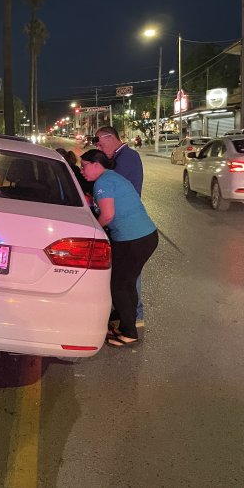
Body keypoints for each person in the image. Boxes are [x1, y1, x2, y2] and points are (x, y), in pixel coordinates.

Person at [79, 149, 158, 347]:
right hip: (146, 236)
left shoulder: (103, 182)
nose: (82, 170)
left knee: (119, 285)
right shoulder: (113, 177)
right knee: (128, 283)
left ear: (96, 164)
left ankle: (129, 332)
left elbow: (107, 215)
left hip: (132, 239)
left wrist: (93, 231)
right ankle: (127, 323)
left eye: (84, 166)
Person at [92, 125, 145, 326]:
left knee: (130, 273)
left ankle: (135, 314)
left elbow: (111, 183)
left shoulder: (127, 157)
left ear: (110, 137)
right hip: (122, 219)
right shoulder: (120, 157)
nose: (98, 145)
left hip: (127, 221)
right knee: (126, 272)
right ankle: (127, 312)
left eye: (99, 141)